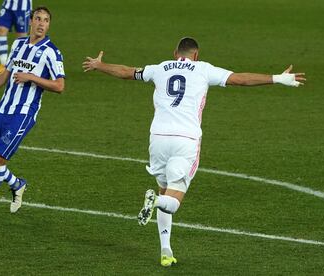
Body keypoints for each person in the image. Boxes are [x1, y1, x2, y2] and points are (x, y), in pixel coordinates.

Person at [82, 37, 305, 267]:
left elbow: (127, 71)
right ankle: (155, 201)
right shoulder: (203, 69)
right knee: (172, 199)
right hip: (185, 140)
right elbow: (240, 79)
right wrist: (278, 78)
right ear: (196, 55)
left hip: (157, 139)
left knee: (165, 190)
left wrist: (100, 66)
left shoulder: (160, 68)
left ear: (174, 52)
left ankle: (165, 249)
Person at [0, 6, 65, 220]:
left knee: (0, 158)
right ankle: (16, 184)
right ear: (30, 21)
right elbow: (5, 76)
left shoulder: (51, 52)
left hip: (24, 113)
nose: (41, 23)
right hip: (3, 108)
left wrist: (32, 77)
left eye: (46, 20)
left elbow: (59, 86)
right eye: (38, 19)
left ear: (49, 25)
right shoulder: (18, 44)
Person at [0, 0, 32, 74]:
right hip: (8, 5)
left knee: (21, 37)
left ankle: (22, 65)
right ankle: (3, 64)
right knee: (1, 30)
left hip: (23, 7)